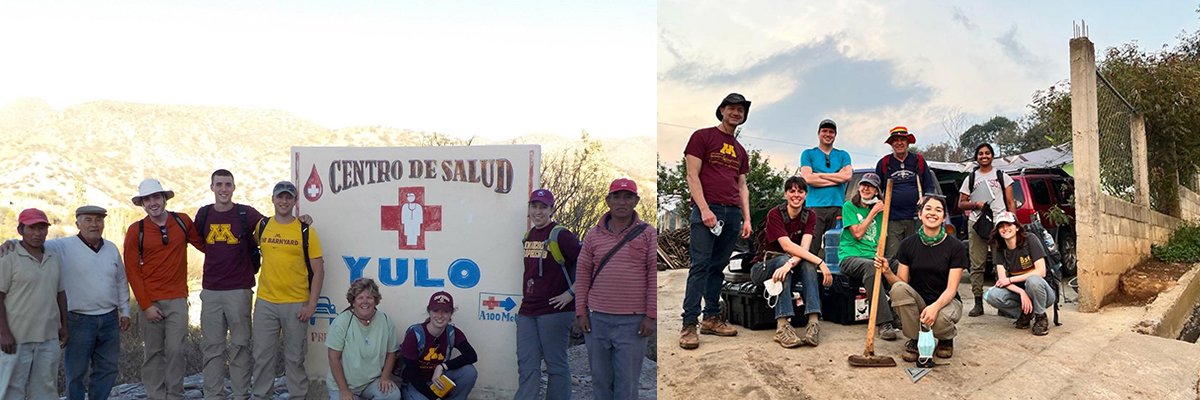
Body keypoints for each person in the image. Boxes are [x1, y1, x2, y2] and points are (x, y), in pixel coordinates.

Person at [680, 93, 752, 349]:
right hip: (707, 211)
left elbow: (742, 185)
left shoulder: (741, 150)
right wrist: (704, 209)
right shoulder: (702, 137)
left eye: (740, 110)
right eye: (731, 108)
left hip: (732, 213)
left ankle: (711, 318)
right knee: (699, 266)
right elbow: (692, 175)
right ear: (721, 110)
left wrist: (747, 218)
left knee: (718, 267)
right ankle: (689, 324)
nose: (736, 113)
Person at [123, 179, 205, 400]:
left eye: (156, 197)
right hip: (150, 300)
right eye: (147, 199)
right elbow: (132, 270)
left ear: (164, 198)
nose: (153, 203)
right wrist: (146, 305)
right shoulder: (136, 231)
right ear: (142, 204)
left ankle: (175, 394)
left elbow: (206, 245)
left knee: (177, 350)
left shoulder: (182, 222)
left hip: (178, 297)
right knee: (153, 352)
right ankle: (156, 395)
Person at [575, 178, 656, 399]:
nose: (622, 202)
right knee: (600, 380)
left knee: (627, 383)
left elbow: (653, 276)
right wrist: (581, 311)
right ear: (608, 200)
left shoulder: (649, 234)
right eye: (617, 196)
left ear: (636, 200)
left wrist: (650, 315)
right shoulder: (593, 235)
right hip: (597, 319)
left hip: (633, 322)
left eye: (628, 197)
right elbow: (582, 274)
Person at [251, 180, 325, 400]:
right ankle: (261, 396)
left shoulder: (305, 231)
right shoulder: (262, 226)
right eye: (280, 197)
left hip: (296, 304)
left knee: (295, 358)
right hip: (266, 302)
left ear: (294, 201)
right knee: (263, 357)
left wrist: (311, 304)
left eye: (288, 197)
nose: (284, 201)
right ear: (273, 199)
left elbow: (319, 270)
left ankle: (298, 396)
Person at [195, 169, 265, 400]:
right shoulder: (204, 215)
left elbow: (273, 229)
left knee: (240, 346)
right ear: (212, 187)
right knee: (212, 349)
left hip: (239, 289)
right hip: (211, 290)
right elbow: (200, 243)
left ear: (234, 188)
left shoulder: (246, 213)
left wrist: (302, 221)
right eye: (219, 184)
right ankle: (213, 395)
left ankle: (240, 394)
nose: (223, 189)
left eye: (228, 184)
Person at [874, 195, 966, 361]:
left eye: (938, 210)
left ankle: (946, 338)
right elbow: (902, 284)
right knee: (898, 290)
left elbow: (952, 289)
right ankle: (915, 339)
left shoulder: (955, 247)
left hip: (946, 301)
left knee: (939, 322)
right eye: (928, 209)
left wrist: (935, 307)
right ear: (920, 214)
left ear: (944, 217)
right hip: (919, 300)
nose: (932, 213)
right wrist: (887, 271)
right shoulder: (908, 244)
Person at [55, 206, 130, 400]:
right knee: (76, 373)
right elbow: (32, 244)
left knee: (107, 369)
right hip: (78, 319)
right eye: (88, 220)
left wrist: (125, 310)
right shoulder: (63, 246)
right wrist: (11, 244)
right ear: (77, 223)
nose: (94, 224)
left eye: (98, 220)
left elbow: (121, 280)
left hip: (109, 319)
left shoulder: (111, 248)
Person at [750, 176, 831, 348]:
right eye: (792, 191)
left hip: (788, 266)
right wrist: (821, 263)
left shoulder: (810, 216)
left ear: (806, 195)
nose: (796, 195)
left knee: (807, 263)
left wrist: (792, 263)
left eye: (800, 191)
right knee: (785, 261)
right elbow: (786, 246)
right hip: (763, 267)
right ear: (785, 194)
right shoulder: (775, 214)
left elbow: (804, 248)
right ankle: (782, 326)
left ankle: (813, 323)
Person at [516, 189, 581, 400]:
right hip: (528, 310)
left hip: (555, 311)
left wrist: (570, 294)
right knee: (527, 365)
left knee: (556, 365)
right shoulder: (529, 236)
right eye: (534, 206)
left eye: (543, 207)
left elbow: (589, 266)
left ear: (551, 209)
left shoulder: (560, 234)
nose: (538, 211)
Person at [0, 208, 67, 399]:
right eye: (32, 228)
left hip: (48, 336)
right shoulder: (8, 256)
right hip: (16, 337)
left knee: (46, 389)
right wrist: (3, 332)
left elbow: (60, 293)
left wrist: (64, 325)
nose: (37, 233)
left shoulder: (53, 257)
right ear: (20, 230)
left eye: (42, 228)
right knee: (11, 389)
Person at [835, 173, 902, 341]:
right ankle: (884, 322)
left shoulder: (883, 213)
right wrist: (872, 212)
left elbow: (881, 240)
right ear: (858, 187)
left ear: (876, 191)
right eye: (863, 184)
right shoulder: (849, 206)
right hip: (850, 257)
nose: (866, 188)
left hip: (873, 256)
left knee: (899, 266)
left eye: (871, 186)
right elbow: (857, 233)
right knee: (872, 267)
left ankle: (903, 312)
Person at [956, 143, 1017, 317]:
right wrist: (976, 204)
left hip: (1000, 224)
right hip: (977, 223)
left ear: (992, 156)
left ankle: (1002, 302)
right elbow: (961, 203)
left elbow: (1011, 201)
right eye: (980, 153)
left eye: (987, 153)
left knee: (1002, 262)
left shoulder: (1002, 176)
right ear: (976, 157)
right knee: (977, 264)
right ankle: (977, 302)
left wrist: (1013, 222)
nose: (984, 156)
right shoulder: (971, 178)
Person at [983, 212, 1055, 336]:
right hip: (1020, 293)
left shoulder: (1030, 239)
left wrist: (1011, 280)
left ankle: (1040, 316)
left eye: (1009, 224)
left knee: (1033, 280)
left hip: (1042, 292)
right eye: (1001, 226)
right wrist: (1021, 292)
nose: (1005, 229)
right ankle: (1026, 313)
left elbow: (1041, 272)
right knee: (991, 295)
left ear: (1016, 227)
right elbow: (1002, 280)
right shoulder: (999, 248)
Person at [326, 278, 400, 400]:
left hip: (371, 383)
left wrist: (385, 377)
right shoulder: (342, 322)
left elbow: (391, 353)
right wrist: (344, 390)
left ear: (375, 300)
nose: (365, 302)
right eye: (360, 298)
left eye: (370, 297)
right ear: (353, 302)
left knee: (392, 395)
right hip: (343, 386)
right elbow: (333, 358)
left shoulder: (386, 321)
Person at [399, 291, 478, 400]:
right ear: (429, 312)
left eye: (445, 311)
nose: (440, 316)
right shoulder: (415, 334)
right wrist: (434, 397)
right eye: (435, 310)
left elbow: (471, 355)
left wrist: (442, 367)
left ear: (451, 314)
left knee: (469, 371)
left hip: (438, 379)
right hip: (416, 383)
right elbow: (413, 374)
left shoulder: (452, 333)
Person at [874, 126, 938, 259]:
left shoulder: (918, 160)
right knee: (893, 255)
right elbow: (877, 189)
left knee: (917, 253)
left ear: (908, 142)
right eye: (895, 140)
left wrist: (925, 199)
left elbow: (930, 186)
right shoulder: (884, 163)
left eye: (902, 139)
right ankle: (896, 280)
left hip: (915, 216)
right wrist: (880, 203)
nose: (899, 143)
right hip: (892, 218)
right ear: (891, 144)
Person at [799, 119, 853, 260]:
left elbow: (847, 176)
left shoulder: (842, 155)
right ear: (819, 133)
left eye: (831, 132)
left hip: (837, 207)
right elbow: (807, 179)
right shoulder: (808, 154)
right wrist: (837, 177)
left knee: (836, 247)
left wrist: (820, 174)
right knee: (812, 247)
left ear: (835, 135)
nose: (828, 134)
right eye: (824, 131)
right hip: (815, 207)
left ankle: (834, 280)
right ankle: (808, 279)